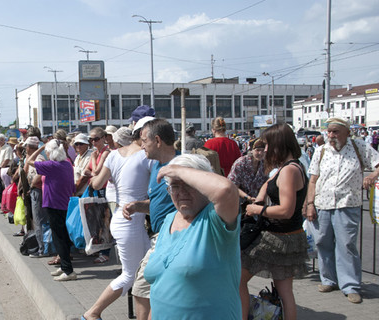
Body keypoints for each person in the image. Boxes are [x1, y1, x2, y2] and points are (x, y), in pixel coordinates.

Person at [142, 154, 240, 320]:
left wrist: (176, 170)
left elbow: (226, 190)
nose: (181, 192)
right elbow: (160, 286)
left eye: (188, 184)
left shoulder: (214, 220)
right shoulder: (170, 219)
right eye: (175, 186)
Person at [82, 123, 152, 320]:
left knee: (147, 272)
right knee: (131, 275)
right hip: (131, 219)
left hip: (122, 217)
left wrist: (104, 170)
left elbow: (96, 183)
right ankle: (92, 313)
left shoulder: (113, 155)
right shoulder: (145, 156)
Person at [306, 117, 379, 304]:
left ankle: (351, 285)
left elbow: (377, 164)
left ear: (347, 132)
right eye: (329, 131)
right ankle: (329, 280)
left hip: (348, 203)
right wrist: (310, 204)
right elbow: (313, 180)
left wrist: (372, 175)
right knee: (323, 242)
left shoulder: (358, 147)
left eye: (335, 131)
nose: (331, 135)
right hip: (322, 203)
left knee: (347, 244)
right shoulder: (321, 151)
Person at [240, 123, 309, 320]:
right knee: (286, 292)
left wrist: (257, 209)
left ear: (279, 144)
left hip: (278, 238)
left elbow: (286, 210)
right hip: (288, 237)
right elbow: (269, 184)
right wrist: (261, 196)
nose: (266, 149)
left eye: (268, 144)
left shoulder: (288, 170)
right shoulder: (292, 166)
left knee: (237, 279)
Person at [122, 118, 179, 319]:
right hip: (158, 238)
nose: (141, 144)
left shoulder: (181, 167)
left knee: (145, 289)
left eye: (144, 140)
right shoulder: (156, 166)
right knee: (142, 290)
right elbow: (160, 204)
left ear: (157, 140)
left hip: (172, 241)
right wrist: (139, 206)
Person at [27, 139, 76, 281]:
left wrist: (40, 148)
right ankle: (65, 265)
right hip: (63, 203)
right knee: (62, 237)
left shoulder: (52, 165)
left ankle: (68, 270)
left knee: (59, 238)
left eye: (47, 152)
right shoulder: (67, 164)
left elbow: (29, 160)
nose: (46, 154)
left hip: (55, 204)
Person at [84, 126, 112, 264]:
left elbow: (95, 171)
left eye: (96, 139)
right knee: (95, 220)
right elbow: (85, 171)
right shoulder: (95, 153)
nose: (93, 142)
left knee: (104, 220)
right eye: (91, 139)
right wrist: (92, 168)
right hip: (94, 188)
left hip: (103, 189)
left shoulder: (105, 153)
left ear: (103, 139)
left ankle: (105, 251)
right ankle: (99, 246)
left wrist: (94, 159)